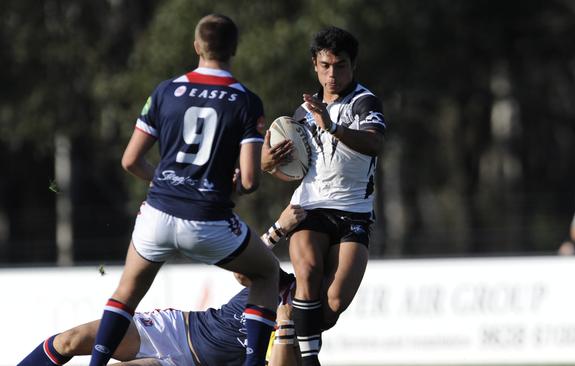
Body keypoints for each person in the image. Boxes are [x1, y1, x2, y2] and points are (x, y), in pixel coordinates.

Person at [86, 14, 279, 366]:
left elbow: (131, 161)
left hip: (158, 214)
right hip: (207, 221)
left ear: (196, 46)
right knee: (267, 273)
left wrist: (169, 182)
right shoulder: (245, 101)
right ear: (234, 48)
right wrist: (219, 185)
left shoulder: (166, 91)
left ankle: (95, 364)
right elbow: (249, 182)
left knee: (126, 295)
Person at [18, 205, 306, 366]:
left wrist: (285, 325)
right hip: (178, 329)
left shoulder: (310, 313)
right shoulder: (278, 278)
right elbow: (243, 274)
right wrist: (278, 229)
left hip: (190, 365)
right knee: (71, 339)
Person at [262, 25, 386, 366]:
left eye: (341, 65)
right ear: (315, 66)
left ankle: (285, 316)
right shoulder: (301, 113)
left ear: (353, 65)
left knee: (332, 304)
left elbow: (374, 143)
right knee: (309, 271)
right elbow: (288, 168)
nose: (333, 73)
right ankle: (309, 359)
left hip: (354, 213)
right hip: (310, 207)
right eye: (326, 65)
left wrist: (331, 125)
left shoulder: (363, 102)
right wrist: (268, 163)